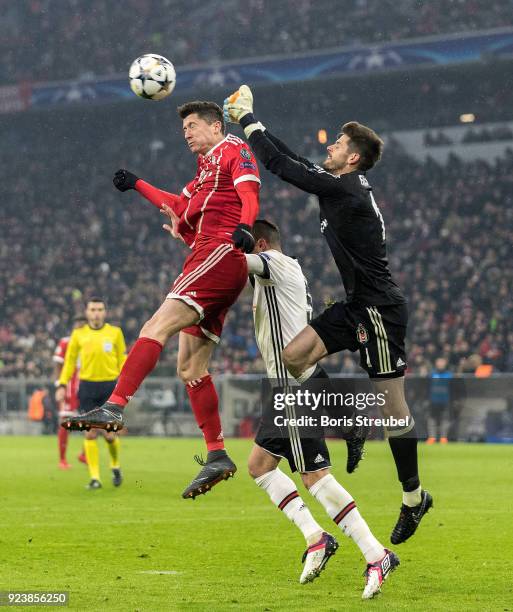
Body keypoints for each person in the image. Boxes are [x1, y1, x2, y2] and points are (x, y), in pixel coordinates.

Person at [224, 86, 433, 545]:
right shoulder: (341, 185)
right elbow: (294, 158)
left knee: (394, 410)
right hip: (356, 306)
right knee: (293, 356)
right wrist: (255, 124)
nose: (330, 147)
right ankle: (347, 419)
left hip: (380, 312)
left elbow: (282, 166)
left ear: (353, 159)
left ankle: (414, 498)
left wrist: (247, 120)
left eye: (338, 144)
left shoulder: (347, 190)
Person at [63, 101, 261, 499]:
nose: (185, 132)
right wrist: (137, 184)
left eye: (192, 125)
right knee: (190, 368)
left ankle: (115, 405)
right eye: (183, 127)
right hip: (208, 256)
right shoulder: (204, 170)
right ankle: (217, 453)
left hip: (219, 253)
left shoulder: (233, 149)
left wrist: (245, 225)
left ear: (215, 125)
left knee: (154, 327)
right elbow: (178, 206)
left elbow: (249, 190)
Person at [247, 219, 399, 598]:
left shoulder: (273, 263)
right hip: (289, 385)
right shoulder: (290, 267)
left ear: (261, 244)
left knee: (316, 477)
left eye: (250, 248)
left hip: (295, 388)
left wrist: (212, 237)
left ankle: (375, 553)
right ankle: (317, 538)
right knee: (260, 466)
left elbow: (232, 263)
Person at [57, 298, 126, 489]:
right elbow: (69, 362)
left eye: (99, 309)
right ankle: (95, 478)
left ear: (105, 312)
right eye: (93, 309)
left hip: (110, 387)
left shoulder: (115, 333)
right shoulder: (78, 334)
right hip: (87, 387)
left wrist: (127, 387)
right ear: (87, 313)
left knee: (110, 435)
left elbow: (123, 360)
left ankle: (115, 466)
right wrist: (62, 384)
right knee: (90, 433)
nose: (96, 313)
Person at [53, 315, 87, 469]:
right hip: (70, 386)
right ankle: (62, 460)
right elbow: (57, 364)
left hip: (88, 383)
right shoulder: (66, 342)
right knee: (65, 422)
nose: (80, 326)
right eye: (77, 324)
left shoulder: (91, 341)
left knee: (94, 421)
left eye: (82, 324)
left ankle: (84, 454)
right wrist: (59, 385)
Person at [427, 357, 452, 444]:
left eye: (442, 362)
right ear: (436, 363)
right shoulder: (431, 374)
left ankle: (443, 438)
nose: (440, 364)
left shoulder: (449, 375)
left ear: (445, 364)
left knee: (445, 419)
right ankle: (432, 437)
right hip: (433, 401)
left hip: (445, 401)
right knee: (431, 419)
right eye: (439, 362)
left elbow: (453, 388)